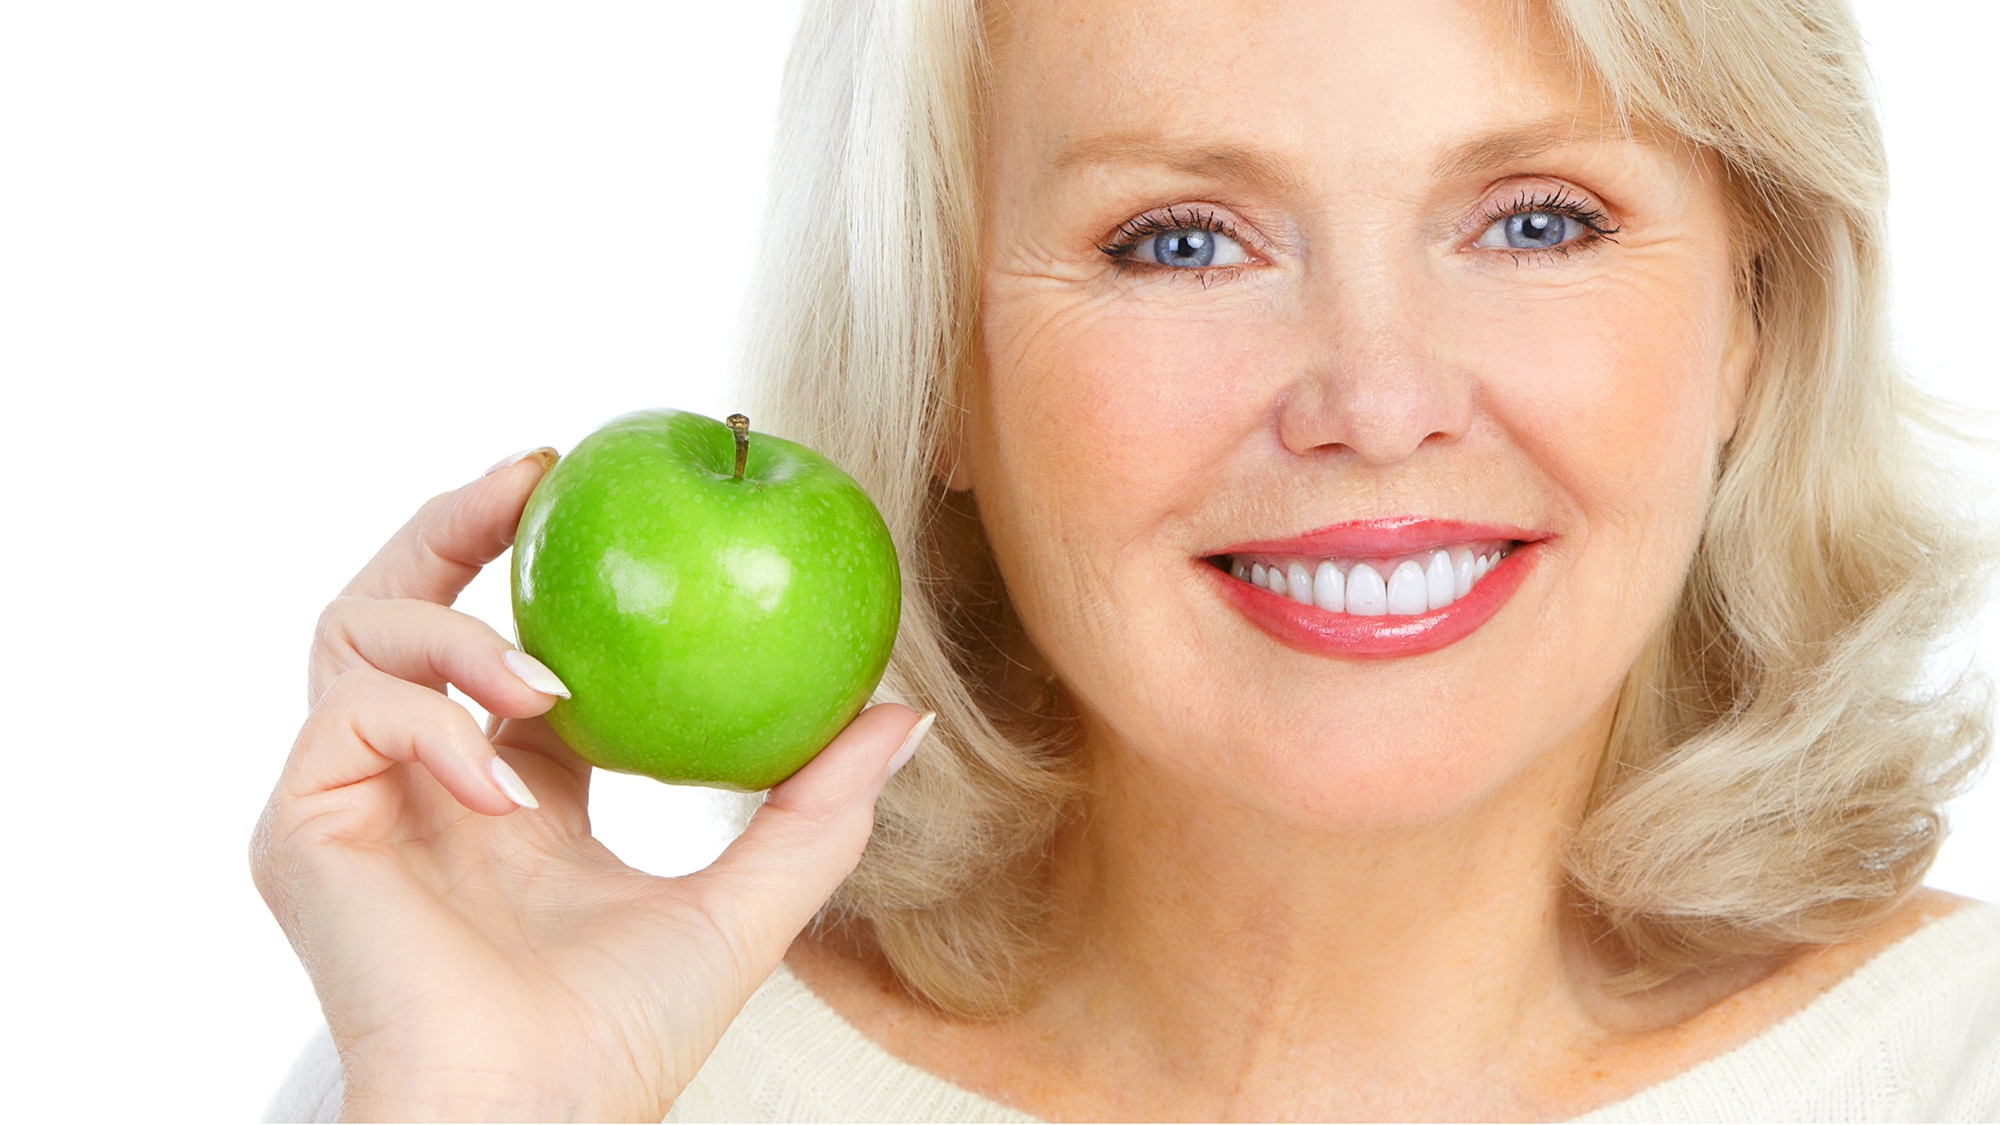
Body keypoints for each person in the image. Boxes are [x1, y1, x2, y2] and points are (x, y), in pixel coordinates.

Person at [255, 0, 2000, 1119]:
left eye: (1539, 219)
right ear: (939, 362)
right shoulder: (539, 1069)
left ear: (1752, 320)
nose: (1377, 399)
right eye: (1180, 239)